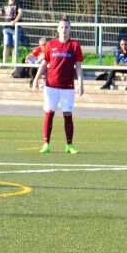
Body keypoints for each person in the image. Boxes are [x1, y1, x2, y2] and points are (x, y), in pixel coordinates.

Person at [31, 15, 84, 154]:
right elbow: (44, 64)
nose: (64, 29)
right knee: (49, 113)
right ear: (57, 29)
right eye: (61, 27)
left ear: (70, 29)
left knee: (68, 114)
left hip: (67, 87)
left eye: (66, 27)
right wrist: (36, 80)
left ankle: (69, 145)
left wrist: (81, 83)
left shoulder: (75, 45)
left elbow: (78, 66)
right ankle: (46, 143)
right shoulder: (51, 44)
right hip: (51, 86)